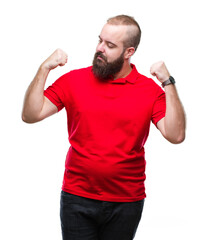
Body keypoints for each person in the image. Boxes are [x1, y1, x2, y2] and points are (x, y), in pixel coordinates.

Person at [22, 15, 186, 240]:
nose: (100, 49)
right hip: (76, 197)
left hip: (127, 201)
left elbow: (176, 135)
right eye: (100, 40)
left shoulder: (149, 90)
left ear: (129, 52)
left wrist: (168, 82)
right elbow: (31, 114)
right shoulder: (74, 81)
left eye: (110, 45)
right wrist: (44, 68)